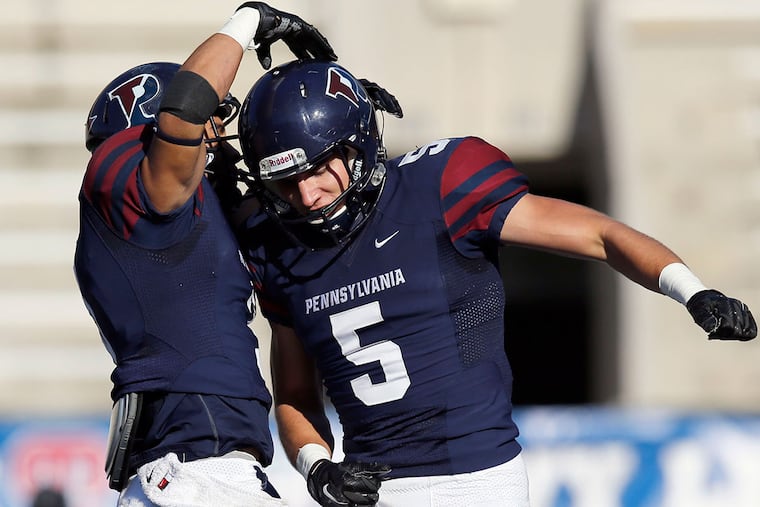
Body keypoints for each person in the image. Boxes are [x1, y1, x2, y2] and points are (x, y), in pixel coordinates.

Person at [230, 59, 757, 507]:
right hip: (371, 487)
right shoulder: (275, 245)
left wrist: (690, 288)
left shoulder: (439, 188)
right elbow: (296, 394)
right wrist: (317, 470)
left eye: (319, 168)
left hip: (476, 481)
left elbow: (600, 235)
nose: (307, 194)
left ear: (357, 147)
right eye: (285, 178)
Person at [74, 3, 336, 506]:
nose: (220, 136)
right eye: (213, 123)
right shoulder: (127, 180)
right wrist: (248, 23)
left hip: (199, 463)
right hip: (199, 470)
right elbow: (187, 110)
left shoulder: (173, 228)